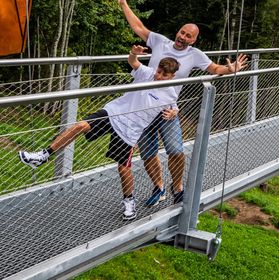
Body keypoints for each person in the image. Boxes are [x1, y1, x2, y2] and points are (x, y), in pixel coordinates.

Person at [116, 0, 247, 206]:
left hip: (168, 110)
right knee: (148, 153)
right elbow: (138, 27)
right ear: (178, 32)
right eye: (182, 32)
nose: (183, 37)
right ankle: (159, 187)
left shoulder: (194, 55)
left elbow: (215, 69)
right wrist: (123, 4)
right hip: (145, 108)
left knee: (175, 150)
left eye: (188, 36)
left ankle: (177, 188)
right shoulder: (160, 41)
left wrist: (230, 69)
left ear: (193, 40)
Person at [19, 46, 179, 221]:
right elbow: (133, 62)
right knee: (81, 125)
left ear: (172, 76)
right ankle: (43, 156)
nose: (159, 76)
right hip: (113, 113)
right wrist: (133, 53)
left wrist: (173, 113)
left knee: (123, 167)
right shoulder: (146, 74)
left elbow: (174, 108)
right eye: (159, 72)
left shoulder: (170, 94)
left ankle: (129, 201)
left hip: (130, 130)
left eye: (164, 75)